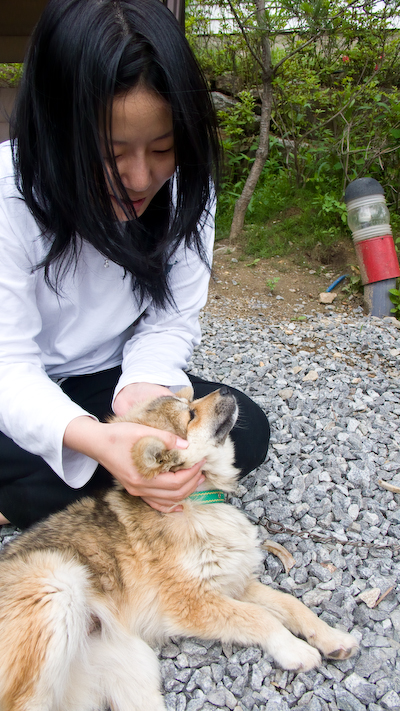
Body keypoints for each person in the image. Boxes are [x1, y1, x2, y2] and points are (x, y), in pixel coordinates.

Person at [0, 0, 270, 531]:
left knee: (247, 430)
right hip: (11, 382)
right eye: (110, 154)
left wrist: (140, 403)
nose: (142, 178)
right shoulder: (8, 195)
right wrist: (98, 442)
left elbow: (169, 322)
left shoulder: (188, 189)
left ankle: (32, 500)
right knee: (93, 456)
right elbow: (9, 365)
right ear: (57, 134)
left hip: (104, 377)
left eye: (164, 148)